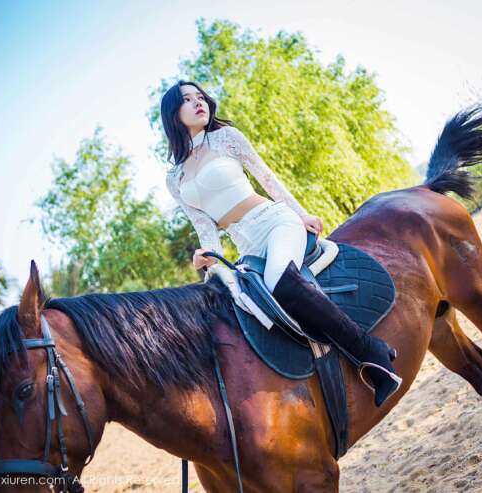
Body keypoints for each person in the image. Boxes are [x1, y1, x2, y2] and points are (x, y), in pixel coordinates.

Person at [161, 80, 401, 407]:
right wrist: (208, 262)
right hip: (245, 246)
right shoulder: (174, 178)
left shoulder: (226, 138)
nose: (198, 102)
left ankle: (371, 351)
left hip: (274, 222)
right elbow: (204, 225)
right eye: (187, 99)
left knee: (280, 282)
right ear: (173, 114)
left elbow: (267, 177)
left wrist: (301, 214)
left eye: (200, 96)